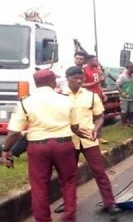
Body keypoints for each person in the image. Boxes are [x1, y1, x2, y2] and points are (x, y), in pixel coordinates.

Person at [1, 69, 85, 222]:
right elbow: (75, 127)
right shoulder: (66, 100)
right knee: (68, 181)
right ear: (52, 82)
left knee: (39, 185)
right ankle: (69, 217)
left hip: (38, 147)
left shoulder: (25, 102)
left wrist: (6, 150)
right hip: (63, 145)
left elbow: (14, 132)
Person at [54, 66, 120, 215]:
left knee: (99, 172)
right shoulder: (60, 96)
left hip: (89, 139)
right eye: (75, 78)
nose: (79, 80)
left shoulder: (91, 96)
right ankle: (67, 202)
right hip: (68, 140)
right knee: (67, 175)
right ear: (67, 78)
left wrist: (96, 128)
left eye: (81, 78)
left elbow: (99, 116)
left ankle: (110, 203)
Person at [82, 55, 108, 143]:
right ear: (89, 61)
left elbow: (99, 84)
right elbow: (82, 85)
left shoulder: (97, 69)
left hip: (97, 96)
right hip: (88, 97)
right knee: (89, 118)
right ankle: (89, 135)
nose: (97, 62)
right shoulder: (84, 70)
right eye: (95, 60)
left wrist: (102, 93)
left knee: (100, 116)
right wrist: (96, 82)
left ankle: (99, 136)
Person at [116, 62, 133, 127]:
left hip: (132, 96)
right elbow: (117, 85)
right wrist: (123, 93)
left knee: (132, 110)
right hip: (124, 97)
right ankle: (123, 124)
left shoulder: (132, 75)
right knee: (124, 111)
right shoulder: (122, 76)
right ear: (128, 68)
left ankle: (131, 123)